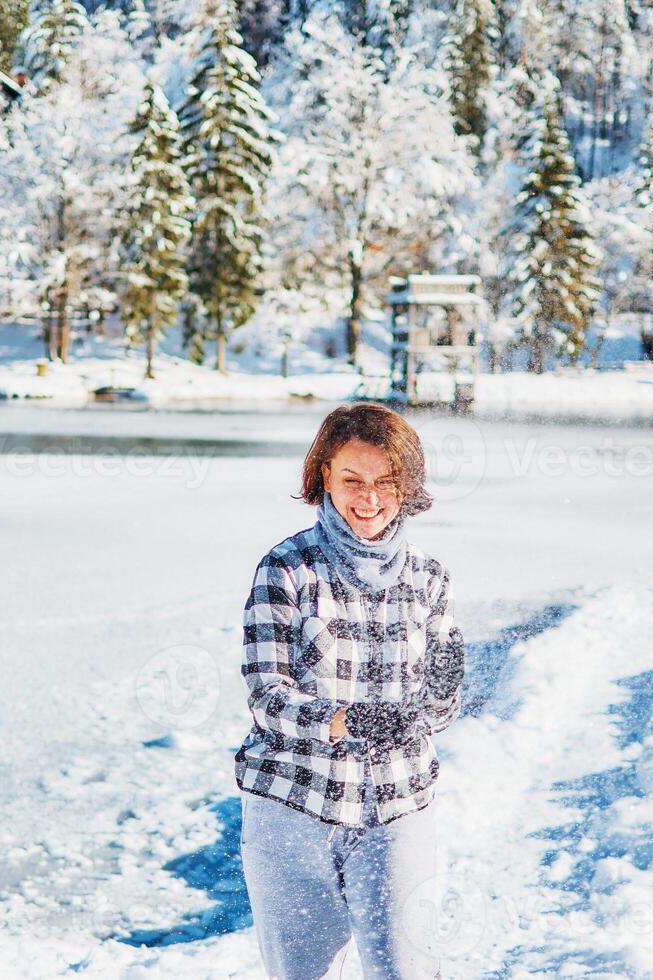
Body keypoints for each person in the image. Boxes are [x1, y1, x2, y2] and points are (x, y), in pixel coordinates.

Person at [235, 403, 467, 980]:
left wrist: (442, 692)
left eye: (386, 482)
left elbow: (436, 711)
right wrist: (348, 721)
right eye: (352, 480)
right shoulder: (286, 569)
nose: (369, 498)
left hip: (396, 809)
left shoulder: (430, 579)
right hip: (293, 811)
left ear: (407, 486)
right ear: (323, 478)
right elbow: (268, 698)